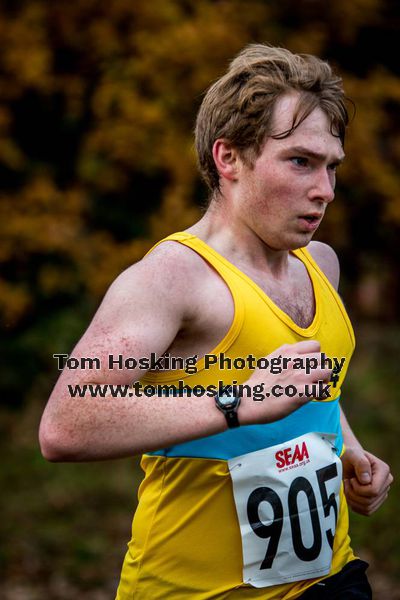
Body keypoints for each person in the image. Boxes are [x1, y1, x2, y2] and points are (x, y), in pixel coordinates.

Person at [39, 44, 393, 599]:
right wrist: (237, 403)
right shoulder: (171, 278)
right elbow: (66, 425)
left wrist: (347, 447)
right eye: (300, 161)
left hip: (328, 581)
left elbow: (307, 383)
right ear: (229, 158)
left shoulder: (321, 264)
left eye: (331, 167)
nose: (324, 190)